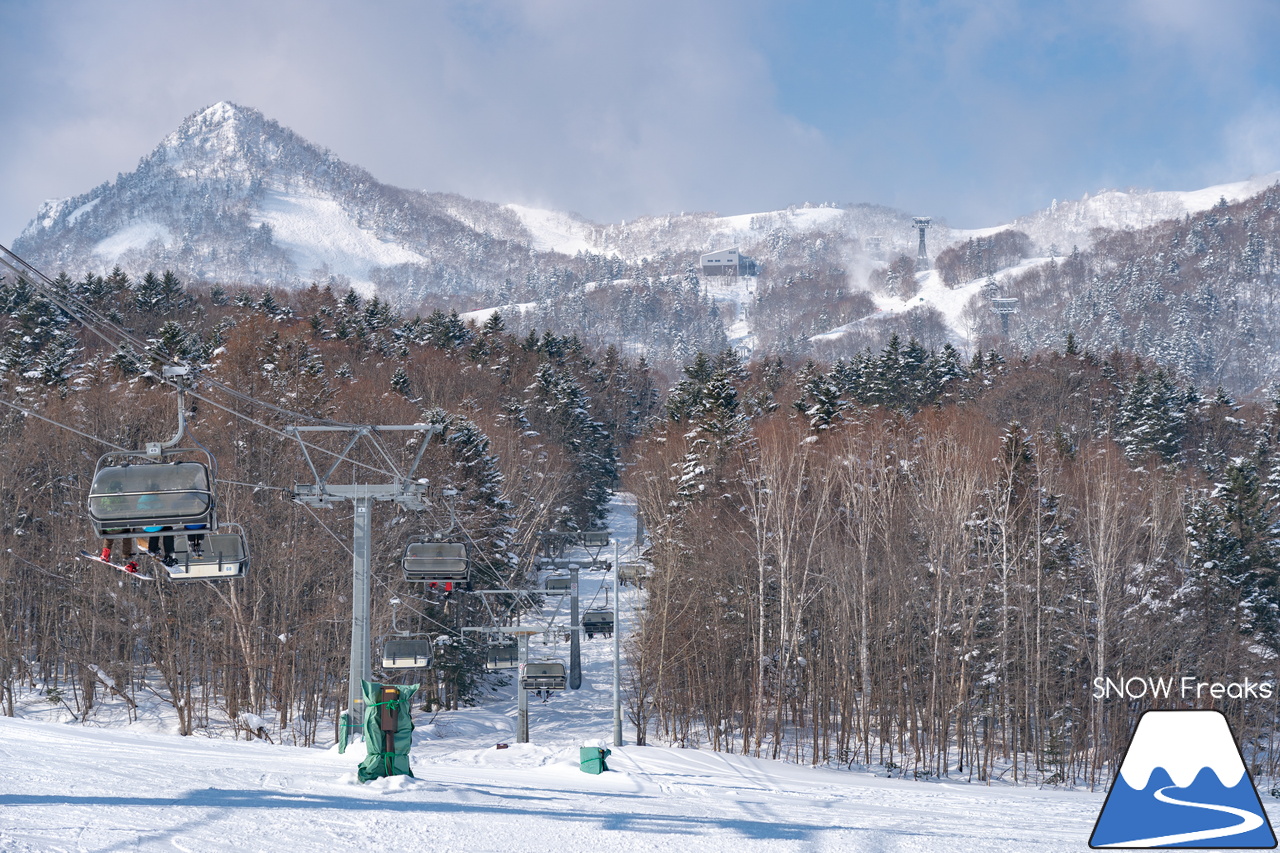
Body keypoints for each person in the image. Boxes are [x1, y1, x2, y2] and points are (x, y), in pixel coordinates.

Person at [97, 480, 139, 572]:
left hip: (108, 527)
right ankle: (126, 554)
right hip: (121, 527)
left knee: (108, 537)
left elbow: (100, 509)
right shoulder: (122, 498)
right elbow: (127, 509)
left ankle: (105, 554)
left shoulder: (105, 498)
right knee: (127, 534)